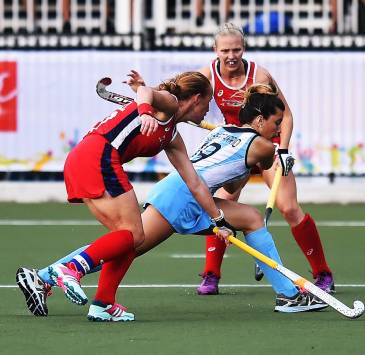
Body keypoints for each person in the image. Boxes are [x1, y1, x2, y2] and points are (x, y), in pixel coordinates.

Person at [18, 84, 326, 316]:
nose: (276, 132)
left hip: (183, 190)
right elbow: (262, 165)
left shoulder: (222, 132)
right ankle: (48, 275)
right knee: (129, 245)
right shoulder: (263, 146)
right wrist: (283, 159)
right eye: (275, 124)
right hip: (183, 196)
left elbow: (229, 179)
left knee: (251, 218)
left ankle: (288, 295)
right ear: (259, 121)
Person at [15, 70, 233, 322]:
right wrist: (144, 110)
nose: (208, 111)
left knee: (129, 238)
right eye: (207, 103)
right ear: (196, 98)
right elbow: (146, 92)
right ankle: (70, 269)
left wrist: (218, 220)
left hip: (86, 159)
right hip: (99, 155)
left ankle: (102, 303)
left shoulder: (172, 136)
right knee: (135, 234)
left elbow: (194, 183)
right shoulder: (169, 104)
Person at [194, 23, 336, 296]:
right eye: (225, 50)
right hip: (234, 149)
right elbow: (184, 101)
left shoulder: (259, 75)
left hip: (265, 148)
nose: (231, 55)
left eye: (236, 49)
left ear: (243, 48)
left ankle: (323, 274)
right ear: (215, 51)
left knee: (289, 207)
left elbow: (287, 115)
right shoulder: (207, 76)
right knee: (220, 207)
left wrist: (282, 150)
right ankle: (211, 275)